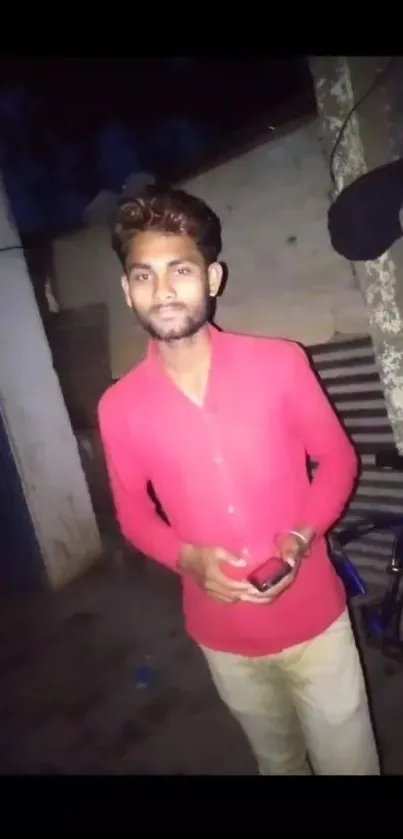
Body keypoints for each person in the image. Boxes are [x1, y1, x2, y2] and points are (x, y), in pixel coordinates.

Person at [98, 186, 380, 776]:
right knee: (277, 765)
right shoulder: (118, 407)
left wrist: (302, 536)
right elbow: (132, 513)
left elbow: (337, 459)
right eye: (144, 276)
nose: (164, 289)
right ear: (127, 292)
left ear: (213, 278)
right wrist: (187, 559)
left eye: (180, 269)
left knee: (350, 764)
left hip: (316, 621)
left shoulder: (280, 363)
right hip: (221, 635)